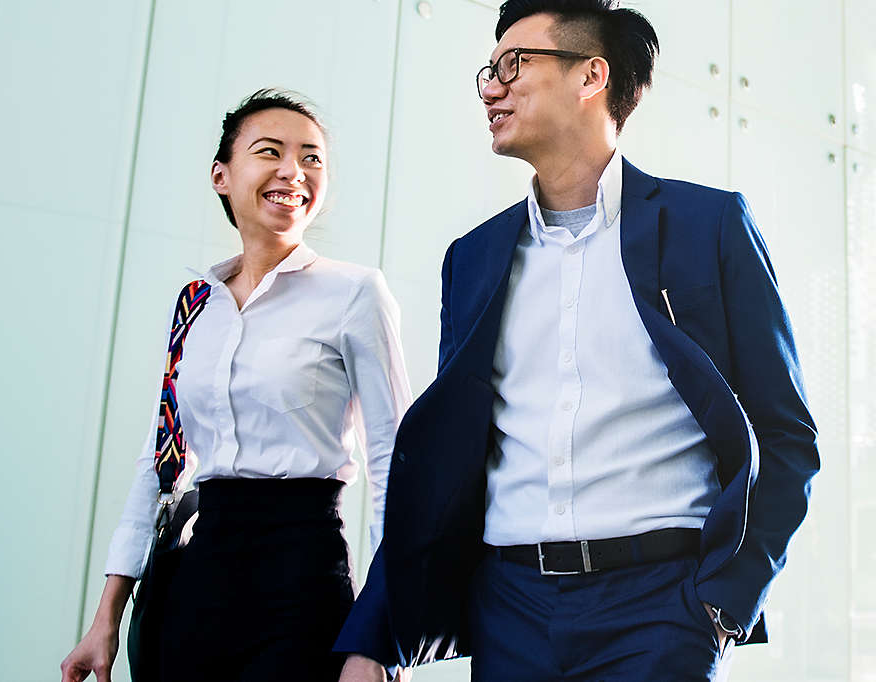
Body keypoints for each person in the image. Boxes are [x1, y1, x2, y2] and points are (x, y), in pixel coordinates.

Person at [336, 1, 819, 680]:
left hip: (660, 613)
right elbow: (445, 467)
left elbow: (785, 435)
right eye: (488, 70)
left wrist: (723, 606)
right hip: (510, 612)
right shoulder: (472, 259)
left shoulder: (707, 225)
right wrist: (374, 637)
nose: (492, 87)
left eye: (514, 64)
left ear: (591, 76)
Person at [60, 89, 411, 682]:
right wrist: (105, 620)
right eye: (270, 152)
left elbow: (395, 467)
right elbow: (160, 462)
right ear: (222, 176)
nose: (293, 172)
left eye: (312, 158)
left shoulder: (355, 293)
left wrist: (378, 638)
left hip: (303, 578)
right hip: (198, 580)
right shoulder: (195, 305)